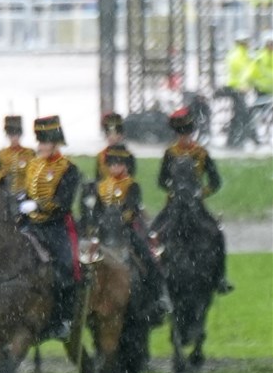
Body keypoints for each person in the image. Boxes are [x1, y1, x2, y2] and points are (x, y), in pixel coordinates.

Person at [84, 146, 170, 322]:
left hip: (126, 231)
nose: (115, 167)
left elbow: (132, 209)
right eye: (112, 164)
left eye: (119, 164)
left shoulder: (132, 185)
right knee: (84, 262)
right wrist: (99, 224)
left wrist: (117, 219)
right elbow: (96, 212)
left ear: (125, 165)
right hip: (103, 233)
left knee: (149, 259)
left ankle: (160, 297)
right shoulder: (100, 187)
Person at [155, 107, 232, 294]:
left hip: (196, 204)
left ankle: (220, 277)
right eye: (181, 134)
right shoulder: (170, 153)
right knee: (153, 233)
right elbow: (161, 180)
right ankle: (155, 279)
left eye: (187, 133)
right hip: (173, 204)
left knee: (216, 234)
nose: (184, 137)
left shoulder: (202, 153)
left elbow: (215, 182)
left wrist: (200, 193)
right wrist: (174, 189)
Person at [19, 115, 80, 340]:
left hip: (55, 226)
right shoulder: (33, 165)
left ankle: (63, 318)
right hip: (31, 224)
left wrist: (38, 204)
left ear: (55, 143)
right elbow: (28, 192)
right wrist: (21, 202)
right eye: (40, 141)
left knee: (67, 266)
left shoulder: (68, 169)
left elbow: (63, 203)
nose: (41, 146)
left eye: (45, 141)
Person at [224, 35, 257, 147]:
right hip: (237, 89)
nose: (249, 43)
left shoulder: (240, 54)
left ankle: (234, 140)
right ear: (243, 43)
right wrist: (244, 85)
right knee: (242, 115)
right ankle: (242, 139)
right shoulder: (239, 55)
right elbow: (243, 72)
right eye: (247, 41)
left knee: (239, 115)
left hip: (236, 88)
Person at [0, 115, 35, 193]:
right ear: (7, 135)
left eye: (16, 134)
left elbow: (34, 175)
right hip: (5, 194)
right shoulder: (0, 154)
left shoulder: (30, 153)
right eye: (11, 135)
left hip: (25, 194)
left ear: (20, 134)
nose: (14, 138)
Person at [95, 112, 136, 179]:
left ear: (120, 135)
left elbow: (130, 178)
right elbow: (98, 179)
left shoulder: (128, 155)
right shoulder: (101, 155)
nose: (111, 137)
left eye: (114, 134)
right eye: (108, 133)